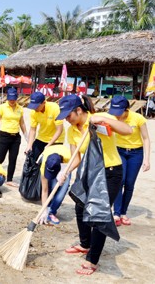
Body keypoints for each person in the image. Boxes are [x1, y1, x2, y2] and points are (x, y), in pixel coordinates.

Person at [55, 94, 132, 275]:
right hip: (89, 174)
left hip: (110, 172)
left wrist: (104, 119)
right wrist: (64, 171)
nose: (67, 120)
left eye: (68, 115)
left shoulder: (98, 121)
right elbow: (76, 158)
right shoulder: (72, 130)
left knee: (99, 214)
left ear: (79, 110)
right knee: (80, 208)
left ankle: (93, 259)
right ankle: (85, 244)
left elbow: (127, 130)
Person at [107, 96, 151, 226]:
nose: (117, 116)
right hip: (118, 151)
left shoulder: (138, 118)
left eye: (120, 112)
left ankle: (123, 213)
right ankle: (116, 213)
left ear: (127, 109)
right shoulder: (112, 118)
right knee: (119, 181)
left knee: (129, 183)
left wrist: (147, 159)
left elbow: (146, 139)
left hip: (135, 153)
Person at [0, 87, 27, 187]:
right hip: (4, 136)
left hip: (16, 137)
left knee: (13, 159)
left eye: (14, 99)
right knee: (0, 158)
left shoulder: (20, 108)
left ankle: (9, 179)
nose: (12, 101)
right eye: (10, 99)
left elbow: (22, 123)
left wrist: (26, 135)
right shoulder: (2, 107)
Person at [25, 92, 65, 160]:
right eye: (33, 106)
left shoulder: (54, 108)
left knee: (50, 163)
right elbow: (33, 130)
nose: (35, 108)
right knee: (30, 159)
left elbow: (59, 130)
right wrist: (29, 145)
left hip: (56, 140)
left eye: (36, 106)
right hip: (41, 138)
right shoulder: (33, 112)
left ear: (44, 102)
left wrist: (48, 145)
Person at [37, 145, 71, 225]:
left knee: (62, 190)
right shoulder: (44, 164)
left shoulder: (68, 156)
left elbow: (77, 161)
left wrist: (66, 172)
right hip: (52, 158)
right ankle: (47, 211)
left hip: (66, 166)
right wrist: (43, 211)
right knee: (51, 187)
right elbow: (44, 190)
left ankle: (52, 211)